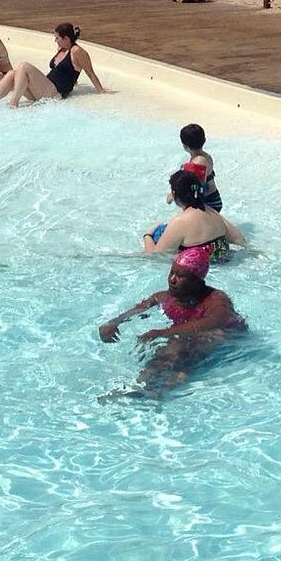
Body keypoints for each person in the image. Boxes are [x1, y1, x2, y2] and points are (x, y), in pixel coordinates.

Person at [97, 252, 247, 395]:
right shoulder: (165, 297)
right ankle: (138, 385)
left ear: (197, 281)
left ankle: (160, 392)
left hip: (228, 337)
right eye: (171, 273)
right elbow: (140, 309)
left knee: (186, 345)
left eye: (180, 276)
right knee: (164, 350)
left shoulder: (216, 299)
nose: (172, 280)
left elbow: (215, 321)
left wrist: (163, 333)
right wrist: (113, 323)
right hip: (189, 335)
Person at [0, 22, 105, 107]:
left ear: (66, 38)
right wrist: (75, 83)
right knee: (12, 73)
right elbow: (67, 72)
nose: (55, 41)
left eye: (57, 38)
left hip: (55, 93)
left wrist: (102, 93)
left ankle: (13, 103)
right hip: (42, 90)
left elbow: (90, 73)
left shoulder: (77, 51)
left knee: (24, 66)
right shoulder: (61, 49)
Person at [143, 168, 245, 262]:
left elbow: (156, 256)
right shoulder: (212, 212)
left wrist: (147, 235)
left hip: (196, 271)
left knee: (139, 255)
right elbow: (239, 239)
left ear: (174, 194)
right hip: (222, 262)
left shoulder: (179, 222)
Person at [178, 122, 219, 208]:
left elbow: (197, 187)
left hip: (209, 203)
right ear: (204, 140)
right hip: (212, 199)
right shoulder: (205, 156)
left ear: (185, 146)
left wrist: (174, 195)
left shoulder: (199, 162)